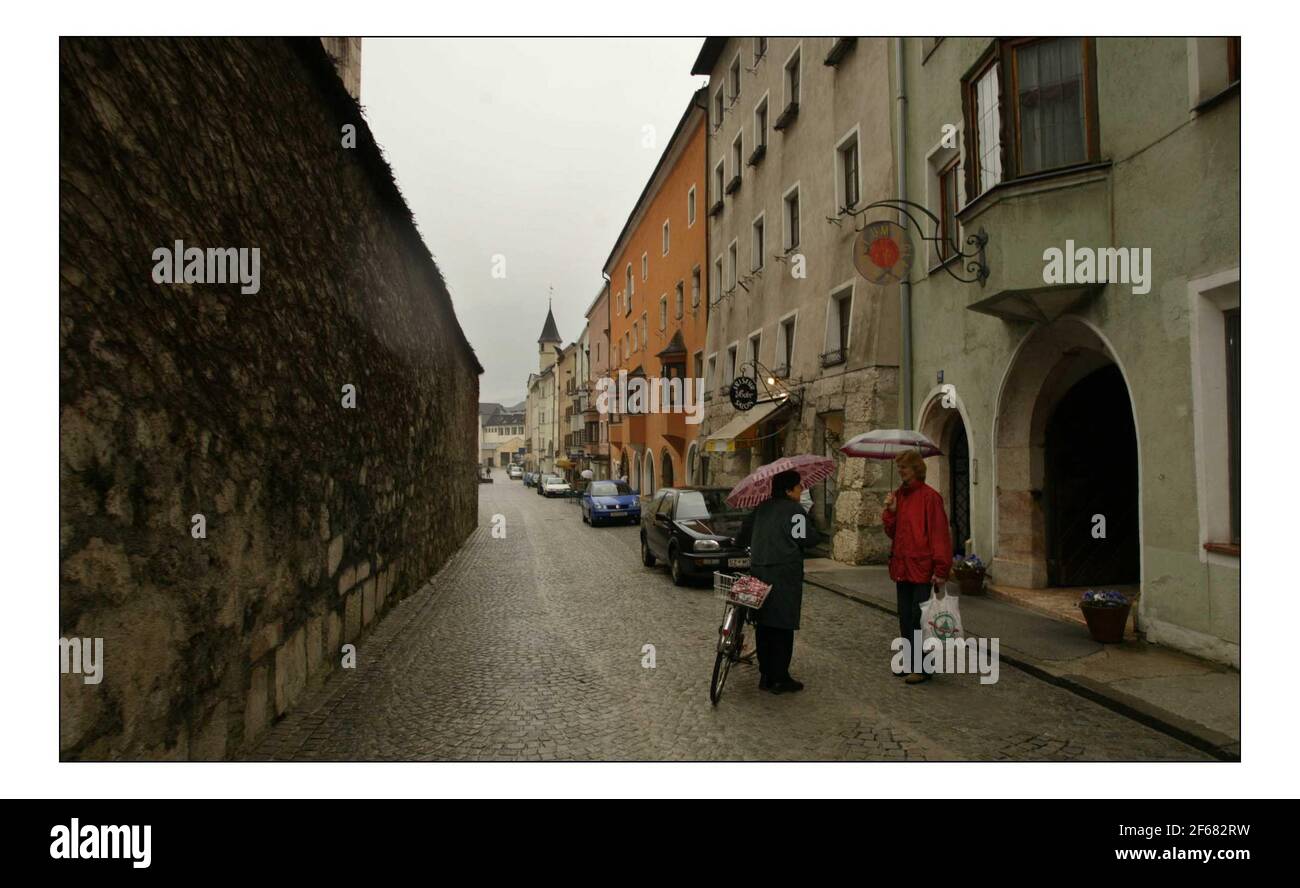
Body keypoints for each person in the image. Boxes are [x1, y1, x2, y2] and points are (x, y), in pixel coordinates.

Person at [881, 449, 953, 684]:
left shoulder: (929, 497)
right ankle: (912, 662)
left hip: (922, 568)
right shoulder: (900, 496)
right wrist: (890, 513)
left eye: (905, 467)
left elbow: (939, 535)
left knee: (919, 618)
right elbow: (894, 533)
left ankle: (923, 667)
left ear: (916, 469)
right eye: (899, 466)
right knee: (905, 617)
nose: (901, 470)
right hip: (903, 566)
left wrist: (941, 570)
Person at [748, 469, 822, 694]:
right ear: (789, 490)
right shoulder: (794, 510)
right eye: (799, 487)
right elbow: (806, 538)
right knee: (782, 625)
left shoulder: (761, 507)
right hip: (783, 574)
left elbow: (745, 532)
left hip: (759, 571)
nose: (801, 491)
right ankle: (780, 677)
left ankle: (765, 675)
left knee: (764, 625)